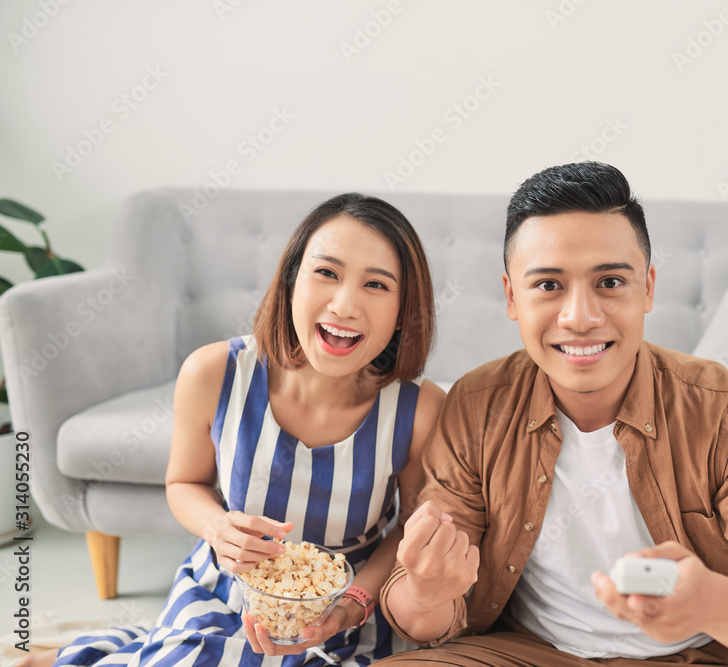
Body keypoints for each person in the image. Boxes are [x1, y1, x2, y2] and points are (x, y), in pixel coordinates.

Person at [377, 163, 728, 666]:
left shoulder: (727, 411)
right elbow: (420, 619)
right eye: (548, 286)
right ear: (512, 295)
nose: (580, 317)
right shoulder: (478, 404)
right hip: (530, 651)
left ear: (647, 288)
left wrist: (720, 604)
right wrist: (427, 592)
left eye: (609, 282)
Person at [22, 193, 445, 667]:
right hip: (226, 591)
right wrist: (217, 527)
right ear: (290, 282)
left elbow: (409, 529)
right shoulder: (214, 373)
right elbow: (183, 484)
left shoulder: (420, 409)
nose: (345, 305)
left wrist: (351, 606)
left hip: (348, 609)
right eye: (326, 273)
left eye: (376, 285)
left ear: (403, 311)